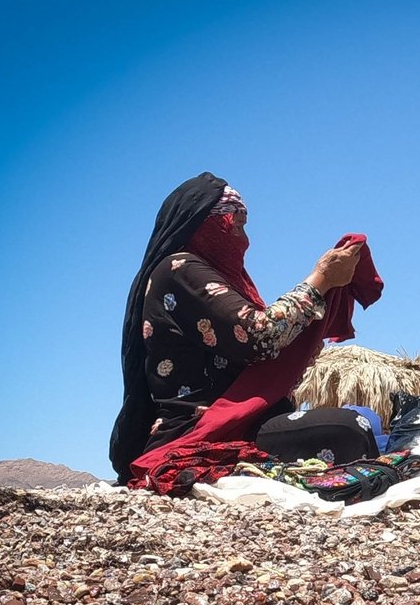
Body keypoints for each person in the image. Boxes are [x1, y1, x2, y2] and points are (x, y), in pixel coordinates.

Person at [109, 172, 383, 489]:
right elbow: (258, 337)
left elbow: (264, 347)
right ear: (199, 224)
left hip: (245, 424)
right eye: (234, 219)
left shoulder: (229, 284)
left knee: (364, 420)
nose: (243, 230)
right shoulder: (179, 270)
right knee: (347, 429)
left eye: (245, 220)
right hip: (200, 431)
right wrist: (321, 279)